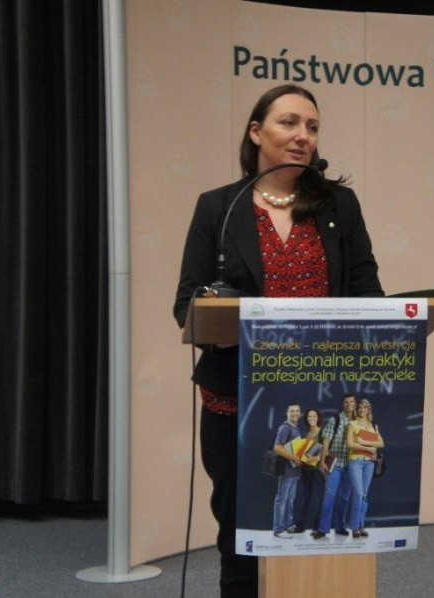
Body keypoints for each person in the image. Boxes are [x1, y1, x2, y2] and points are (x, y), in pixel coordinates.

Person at [172, 84, 383, 597]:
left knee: (318, 521)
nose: (302, 135)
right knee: (242, 531)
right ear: (256, 132)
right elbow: (186, 304)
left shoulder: (340, 206)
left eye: (312, 127)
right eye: (288, 122)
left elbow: (369, 295)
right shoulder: (218, 208)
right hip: (237, 399)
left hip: (321, 399)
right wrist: (226, 324)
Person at [311, 393, 358, 540]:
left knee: (344, 498)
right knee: (329, 496)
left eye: (351, 401)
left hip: (351, 465)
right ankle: (323, 529)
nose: (349, 404)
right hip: (335, 463)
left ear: (355, 403)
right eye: (346, 402)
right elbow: (326, 441)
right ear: (343, 404)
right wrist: (322, 462)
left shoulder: (359, 421)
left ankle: (340, 527)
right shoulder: (335, 419)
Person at [346, 399, 384, 538]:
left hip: (369, 463)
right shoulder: (352, 424)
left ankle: (361, 525)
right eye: (360, 408)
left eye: (365, 408)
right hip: (355, 462)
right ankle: (354, 527)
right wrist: (369, 447)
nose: (362, 410)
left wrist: (362, 441)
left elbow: (381, 443)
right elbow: (350, 444)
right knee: (358, 493)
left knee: (364, 495)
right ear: (357, 410)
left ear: (369, 410)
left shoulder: (372, 425)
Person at [272, 404, 304, 537]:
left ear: (300, 414)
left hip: (295, 471)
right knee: (282, 499)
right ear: (287, 413)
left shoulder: (296, 428)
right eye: (292, 411)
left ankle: (288, 524)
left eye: (297, 411)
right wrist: (295, 458)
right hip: (287, 470)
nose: (295, 413)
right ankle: (279, 529)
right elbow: (277, 448)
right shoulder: (285, 427)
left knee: (290, 499)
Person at [293, 408, 325, 531]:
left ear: (318, 418)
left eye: (314, 416)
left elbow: (327, 451)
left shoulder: (322, 433)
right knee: (305, 499)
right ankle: (300, 526)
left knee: (319, 500)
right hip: (305, 470)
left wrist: (316, 457)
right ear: (306, 419)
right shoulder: (306, 433)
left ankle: (318, 527)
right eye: (309, 416)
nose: (311, 418)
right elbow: (304, 452)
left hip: (317, 470)